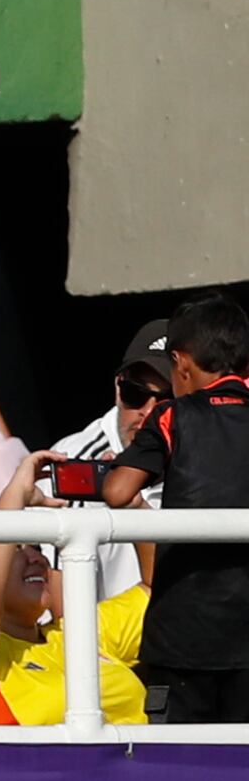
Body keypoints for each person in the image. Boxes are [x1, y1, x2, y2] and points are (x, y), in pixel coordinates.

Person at [101, 288, 249, 725]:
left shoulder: (172, 417)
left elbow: (117, 492)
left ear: (181, 363)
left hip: (183, 636)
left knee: (182, 770)